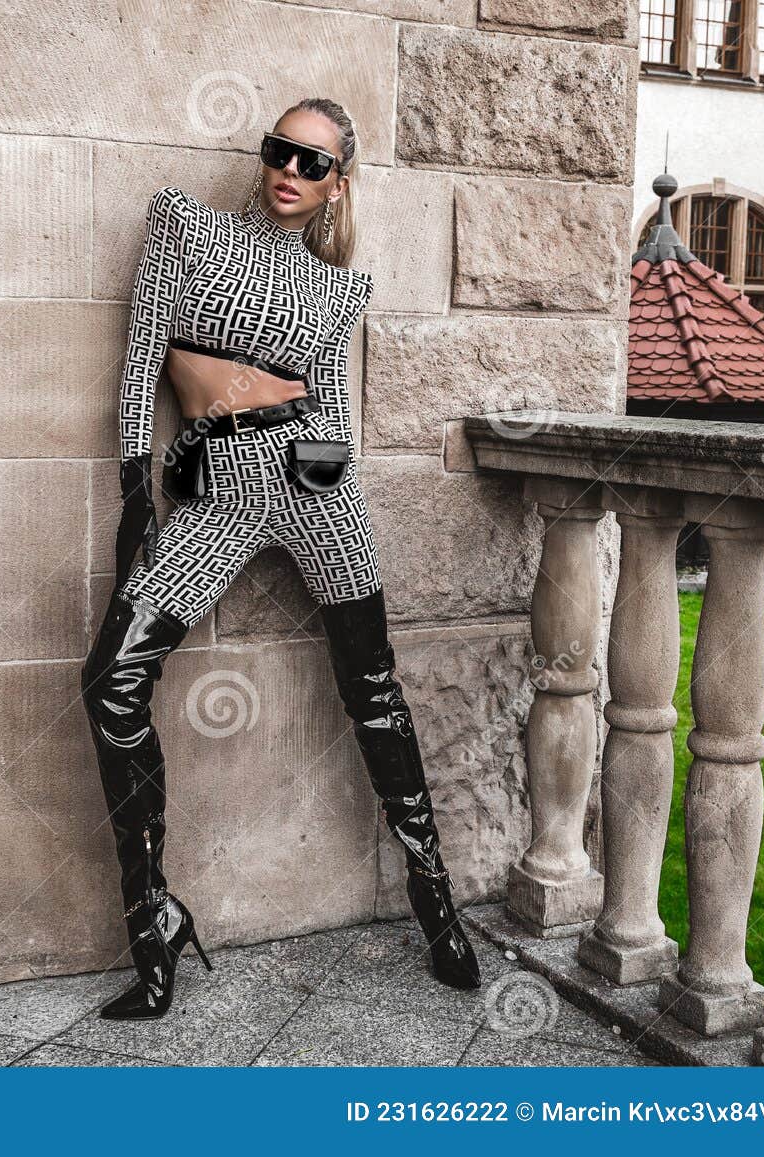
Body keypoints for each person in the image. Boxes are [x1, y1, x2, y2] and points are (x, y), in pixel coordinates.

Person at [80, 97, 481, 1021]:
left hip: (317, 489)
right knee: (111, 682)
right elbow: (143, 358)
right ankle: (155, 919)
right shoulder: (189, 228)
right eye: (279, 152)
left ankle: (435, 903)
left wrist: (331, 464)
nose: (290, 173)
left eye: (312, 164)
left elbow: (333, 403)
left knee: (374, 688)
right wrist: (139, 490)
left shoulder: (342, 289)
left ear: (338, 181)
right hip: (219, 490)